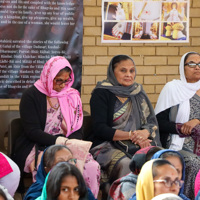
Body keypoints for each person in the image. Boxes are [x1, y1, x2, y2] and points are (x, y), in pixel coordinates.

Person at [12, 56, 100, 197]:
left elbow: (77, 129)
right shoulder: (31, 95)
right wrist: (60, 142)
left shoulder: (71, 96)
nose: (62, 85)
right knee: (48, 165)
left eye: (66, 81)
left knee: (91, 166)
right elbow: (32, 131)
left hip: (67, 144)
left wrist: (68, 144)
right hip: (38, 145)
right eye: (58, 80)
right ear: (49, 75)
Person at [90, 55, 161, 197]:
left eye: (132, 71)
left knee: (161, 160)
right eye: (123, 70)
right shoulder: (101, 92)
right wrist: (132, 135)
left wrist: (144, 134)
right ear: (112, 71)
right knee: (126, 164)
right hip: (107, 145)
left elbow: (151, 122)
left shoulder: (138, 92)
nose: (129, 75)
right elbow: (100, 128)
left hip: (139, 142)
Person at [25, 145, 96, 200]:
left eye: (70, 161)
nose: (72, 196)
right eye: (60, 163)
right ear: (47, 170)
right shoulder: (35, 194)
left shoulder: (84, 191)